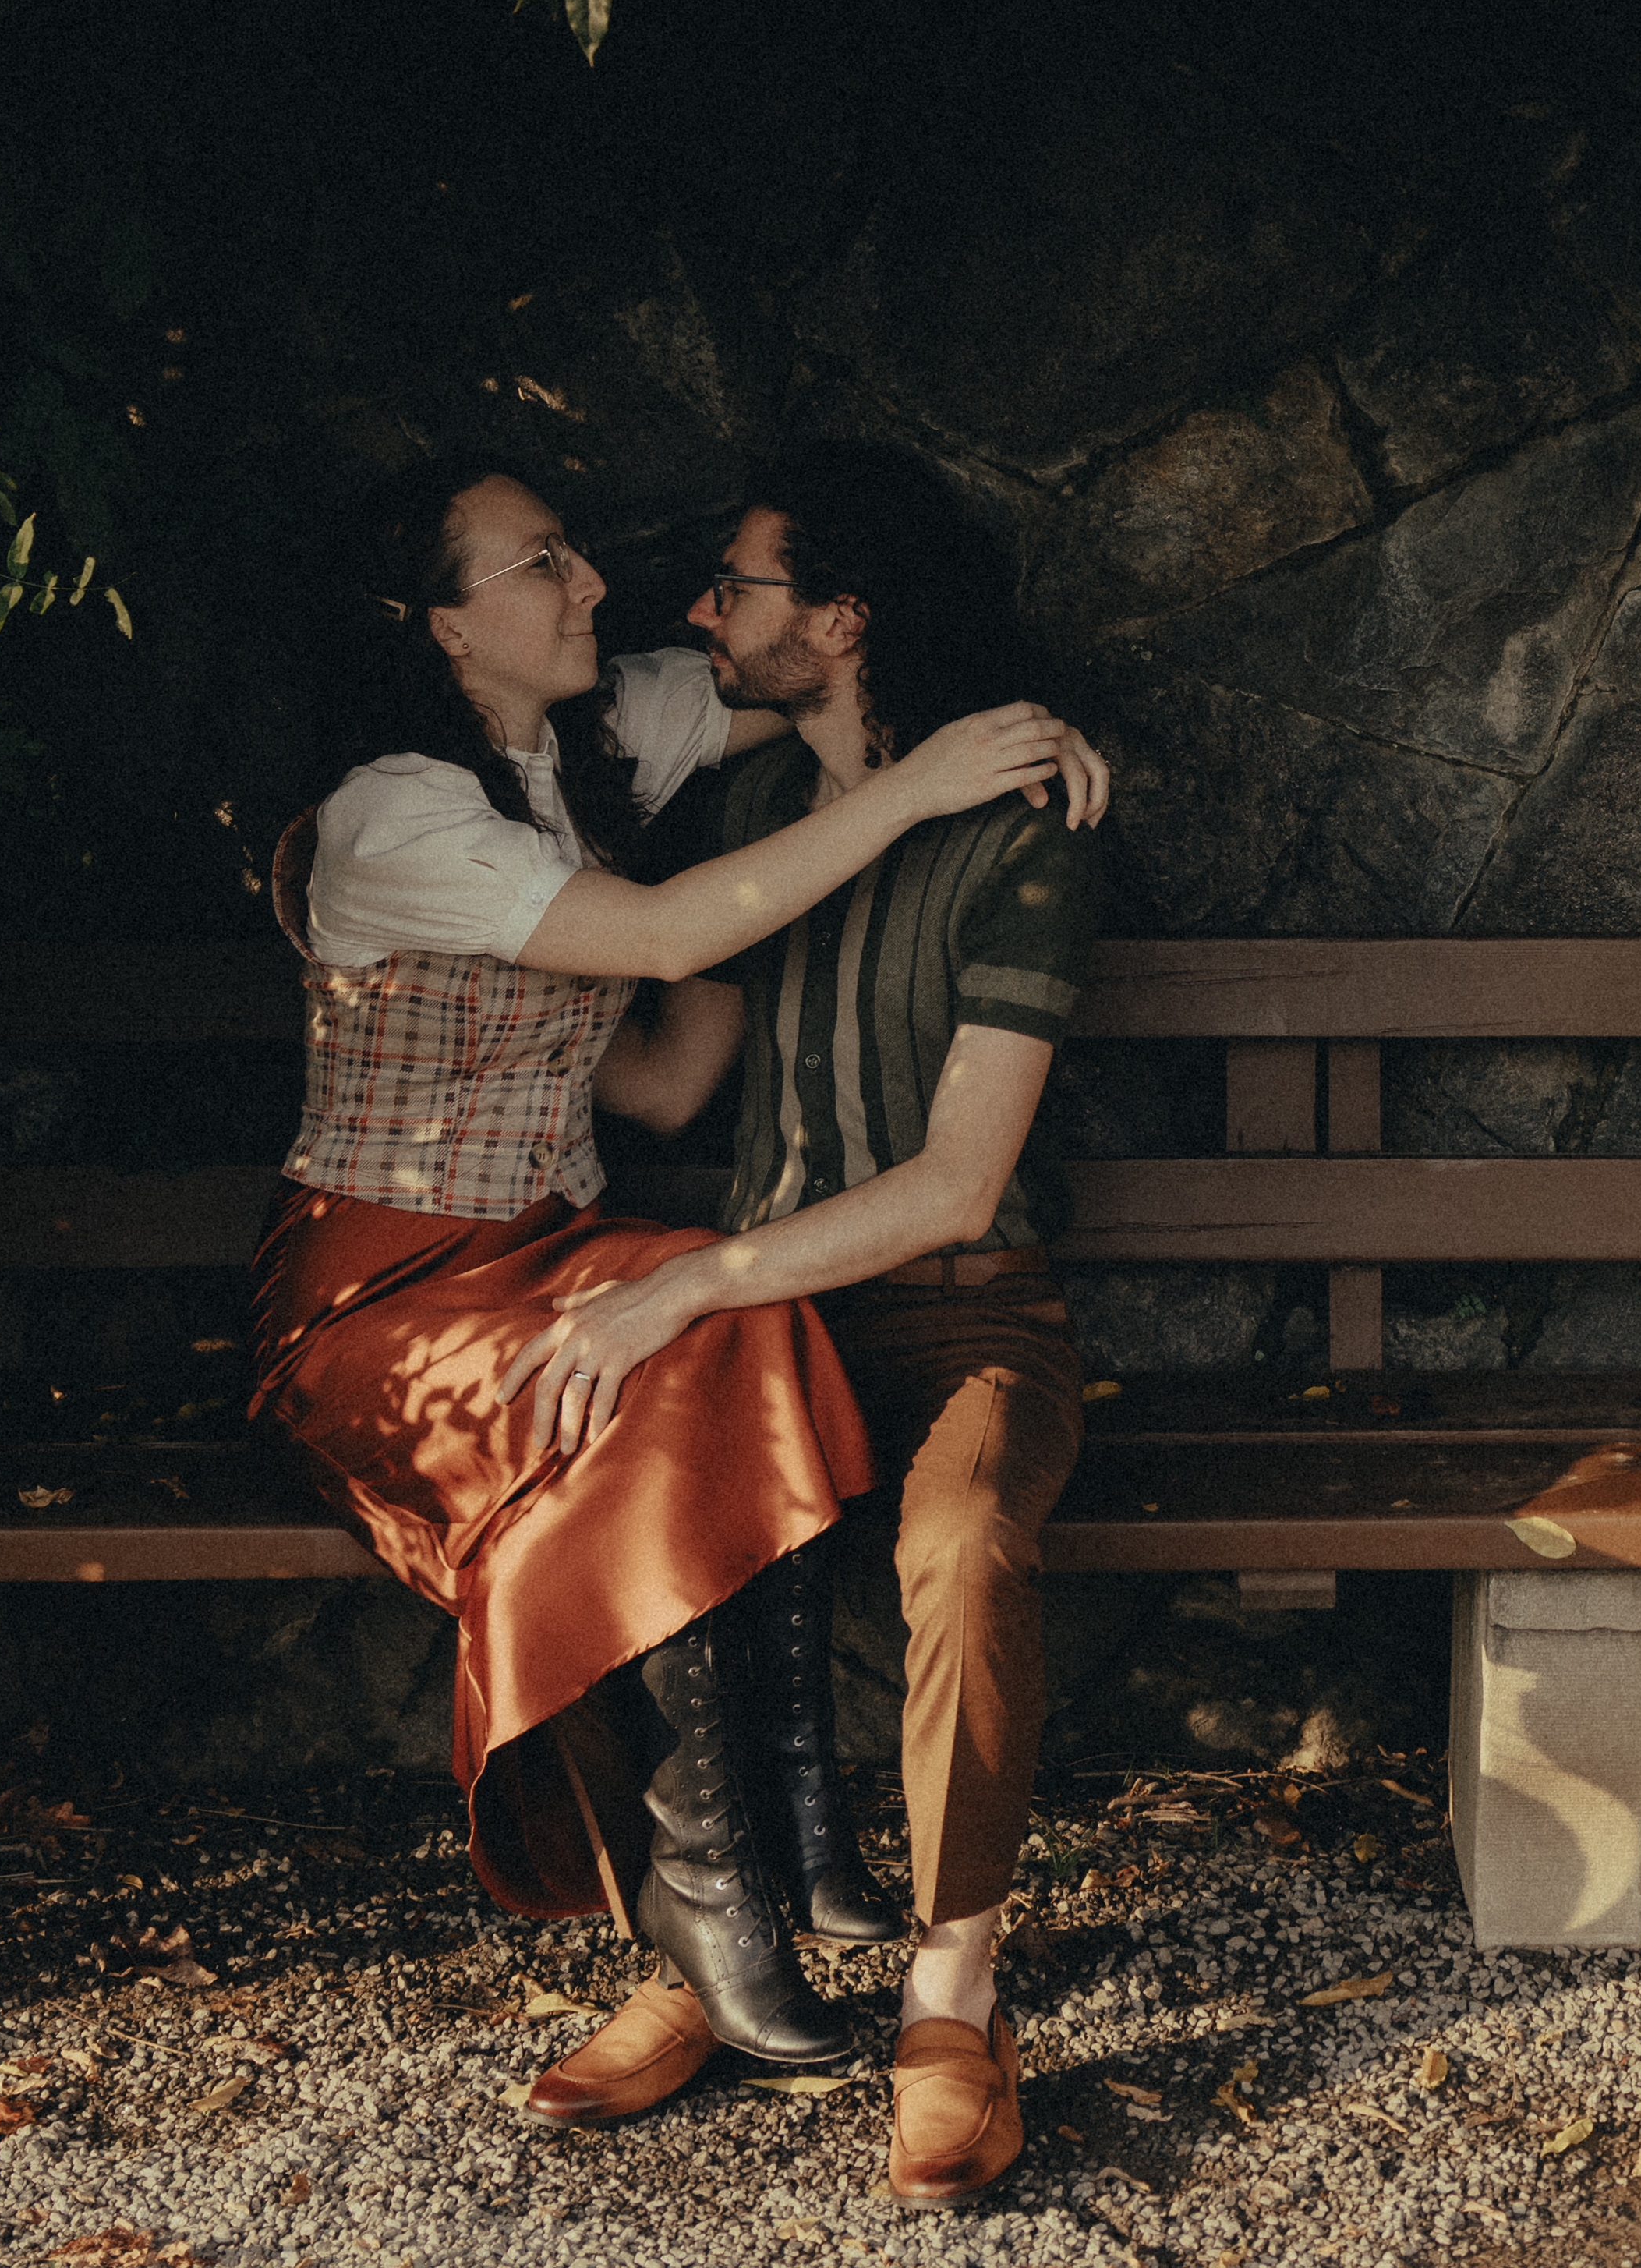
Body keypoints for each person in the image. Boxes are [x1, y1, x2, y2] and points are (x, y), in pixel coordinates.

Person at [241, 451, 1094, 2128]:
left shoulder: (611, 739)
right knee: (632, 1405)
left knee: (755, 1362)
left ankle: (863, 1916)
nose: (609, 585)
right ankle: (706, 1906)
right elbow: (667, 970)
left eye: (577, 549)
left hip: (661, 1259)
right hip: (396, 1284)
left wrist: (984, 741)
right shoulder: (400, 811)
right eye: (542, 562)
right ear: (442, 626)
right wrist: (910, 782)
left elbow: (687, 1073)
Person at [493, 441, 1101, 2218]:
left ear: (839, 621)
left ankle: (950, 2009)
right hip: (777, 1332)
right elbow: (677, 1083)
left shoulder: (1028, 831)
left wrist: (687, 1279)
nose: (701, 613)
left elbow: (955, 1187)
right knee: (580, 1483)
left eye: (741, 587)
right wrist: (454, 1011)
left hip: (967, 1318)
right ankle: (691, 1954)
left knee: (966, 1539)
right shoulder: (758, 826)